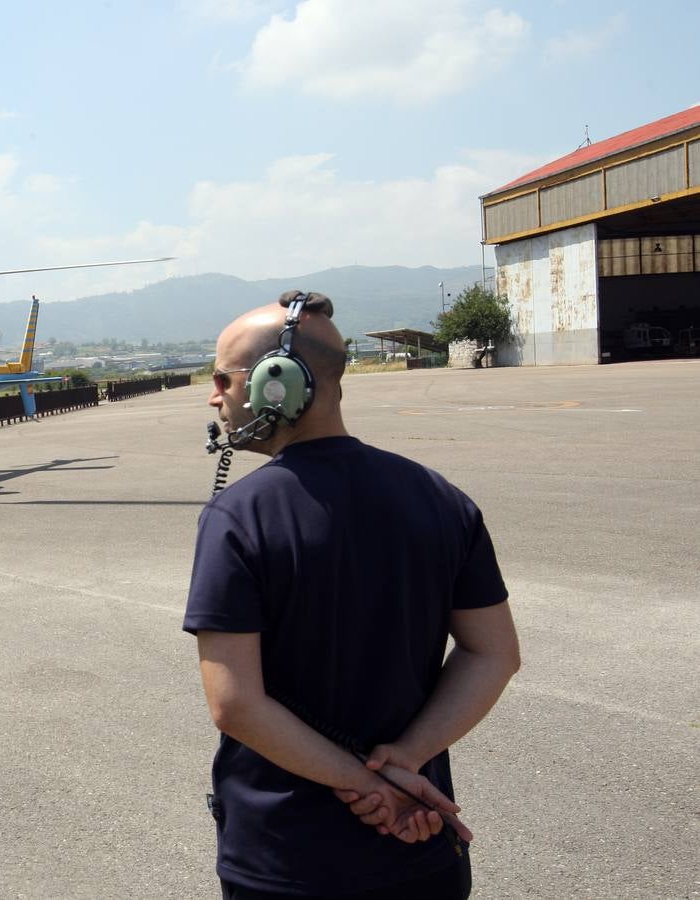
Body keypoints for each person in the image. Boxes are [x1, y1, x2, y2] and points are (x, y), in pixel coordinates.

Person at [185, 291, 520, 899]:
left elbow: (235, 702)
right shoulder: (441, 498)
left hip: (287, 859)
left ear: (275, 384)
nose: (214, 396)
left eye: (221, 379)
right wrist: (403, 764)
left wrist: (368, 787)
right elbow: (493, 654)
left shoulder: (238, 517)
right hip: (421, 847)